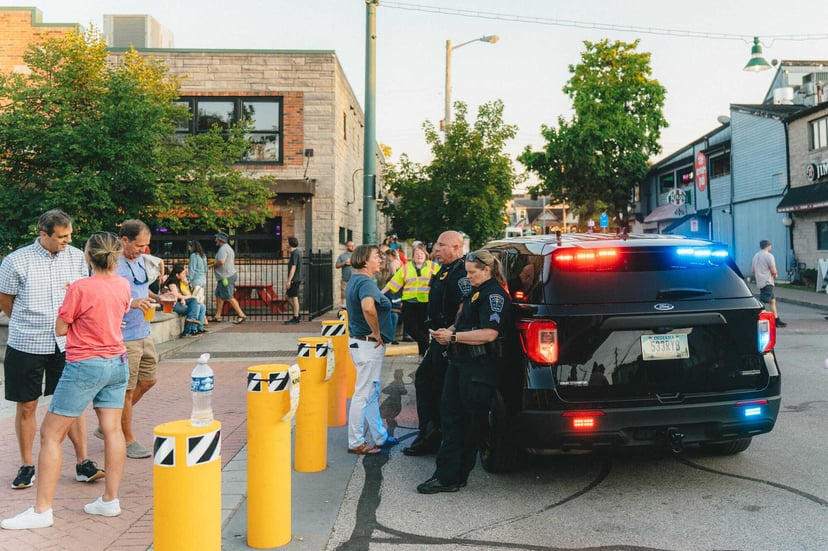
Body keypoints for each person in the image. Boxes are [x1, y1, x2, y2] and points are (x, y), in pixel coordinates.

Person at [1, 232, 131, 529]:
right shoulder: (122, 284)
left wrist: (72, 299)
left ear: (88, 256)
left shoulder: (79, 288)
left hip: (85, 364)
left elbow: (61, 328)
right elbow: (116, 314)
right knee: (112, 430)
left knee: (50, 435)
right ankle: (110, 500)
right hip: (117, 363)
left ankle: (42, 510)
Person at [0, 209, 103, 490]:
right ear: (43, 234)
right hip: (26, 343)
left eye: (70, 235)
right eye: (61, 237)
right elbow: (5, 300)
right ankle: (26, 465)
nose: (67, 241)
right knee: (27, 405)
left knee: (73, 404)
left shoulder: (77, 258)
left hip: (67, 343)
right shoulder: (16, 261)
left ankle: (83, 462)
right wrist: (28, 322)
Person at [418, 248, 512, 494]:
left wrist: (454, 337)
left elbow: (489, 333)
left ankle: (453, 477)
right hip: (460, 364)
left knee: (468, 425)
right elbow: (462, 321)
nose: (467, 276)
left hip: (478, 369)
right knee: (450, 419)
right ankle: (446, 474)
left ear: (487, 270)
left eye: (472, 272)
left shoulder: (494, 295)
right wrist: (447, 331)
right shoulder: (475, 292)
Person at [106, 219, 169, 459]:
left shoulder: (142, 261)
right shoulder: (113, 265)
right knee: (127, 390)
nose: (144, 249)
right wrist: (131, 303)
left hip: (144, 331)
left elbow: (142, 290)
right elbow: (106, 296)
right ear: (124, 241)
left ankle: (109, 421)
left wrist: (159, 297)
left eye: (146, 245)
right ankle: (127, 437)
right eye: (139, 245)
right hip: (124, 336)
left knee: (148, 381)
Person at [403, 230, 468, 457]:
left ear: (456, 248)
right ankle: (429, 433)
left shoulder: (461, 273)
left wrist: (451, 333)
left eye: (441, 245)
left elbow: (464, 308)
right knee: (426, 381)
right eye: (436, 245)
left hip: (450, 341)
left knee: (437, 387)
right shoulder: (444, 269)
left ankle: (434, 435)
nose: (435, 250)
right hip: (439, 338)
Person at [344, 245, 399, 455]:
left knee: (371, 392)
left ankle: (379, 436)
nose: (380, 259)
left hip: (363, 344)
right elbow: (368, 307)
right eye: (377, 256)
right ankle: (356, 442)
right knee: (363, 393)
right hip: (368, 344)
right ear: (365, 260)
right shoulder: (365, 282)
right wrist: (377, 332)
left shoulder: (357, 280)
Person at [381, 243, 439, 359]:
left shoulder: (433, 266)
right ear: (412, 255)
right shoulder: (406, 267)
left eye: (421, 253)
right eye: (417, 253)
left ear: (426, 255)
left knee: (423, 328)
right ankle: (426, 345)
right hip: (409, 302)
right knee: (410, 328)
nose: (419, 255)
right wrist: (380, 294)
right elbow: (394, 282)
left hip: (426, 302)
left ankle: (422, 354)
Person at [210, 232, 247, 324]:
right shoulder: (227, 248)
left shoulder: (223, 249)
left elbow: (221, 262)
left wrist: (211, 265)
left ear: (220, 240)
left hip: (225, 277)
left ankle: (241, 315)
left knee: (228, 296)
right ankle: (217, 316)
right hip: (224, 276)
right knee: (218, 295)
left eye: (216, 239)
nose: (215, 240)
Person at [751, 239, 787, 327]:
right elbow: (773, 269)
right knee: (762, 302)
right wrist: (775, 275)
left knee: (772, 300)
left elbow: (753, 270)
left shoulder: (756, 255)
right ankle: (755, 318)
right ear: (768, 246)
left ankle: (776, 319)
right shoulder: (769, 256)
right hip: (767, 281)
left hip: (760, 281)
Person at [165, 263, 207, 336]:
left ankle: (198, 328)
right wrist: (185, 298)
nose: (185, 275)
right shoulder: (172, 282)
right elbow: (176, 295)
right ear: (177, 275)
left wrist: (183, 298)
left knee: (200, 305)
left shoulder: (179, 281)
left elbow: (181, 295)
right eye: (183, 273)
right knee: (195, 305)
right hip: (171, 305)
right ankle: (190, 330)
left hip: (178, 302)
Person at [284, 236, 302, 324]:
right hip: (295, 278)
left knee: (294, 297)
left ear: (290, 243)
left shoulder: (295, 253)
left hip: (295, 279)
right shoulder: (295, 253)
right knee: (288, 296)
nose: (286, 243)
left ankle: (296, 317)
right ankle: (297, 313)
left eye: (287, 242)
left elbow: (293, 268)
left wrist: (289, 280)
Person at [335, 240, 355, 309]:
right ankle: (344, 309)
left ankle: (353, 308)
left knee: (354, 294)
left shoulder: (356, 255)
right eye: (351, 246)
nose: (352, 247)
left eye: (353, 245)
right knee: (344, 294)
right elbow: (337, 265)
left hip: (355, 278)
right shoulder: (342, 256)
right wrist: (344, 263)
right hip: (345, 278)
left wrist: (352, 263)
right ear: (347, 246)